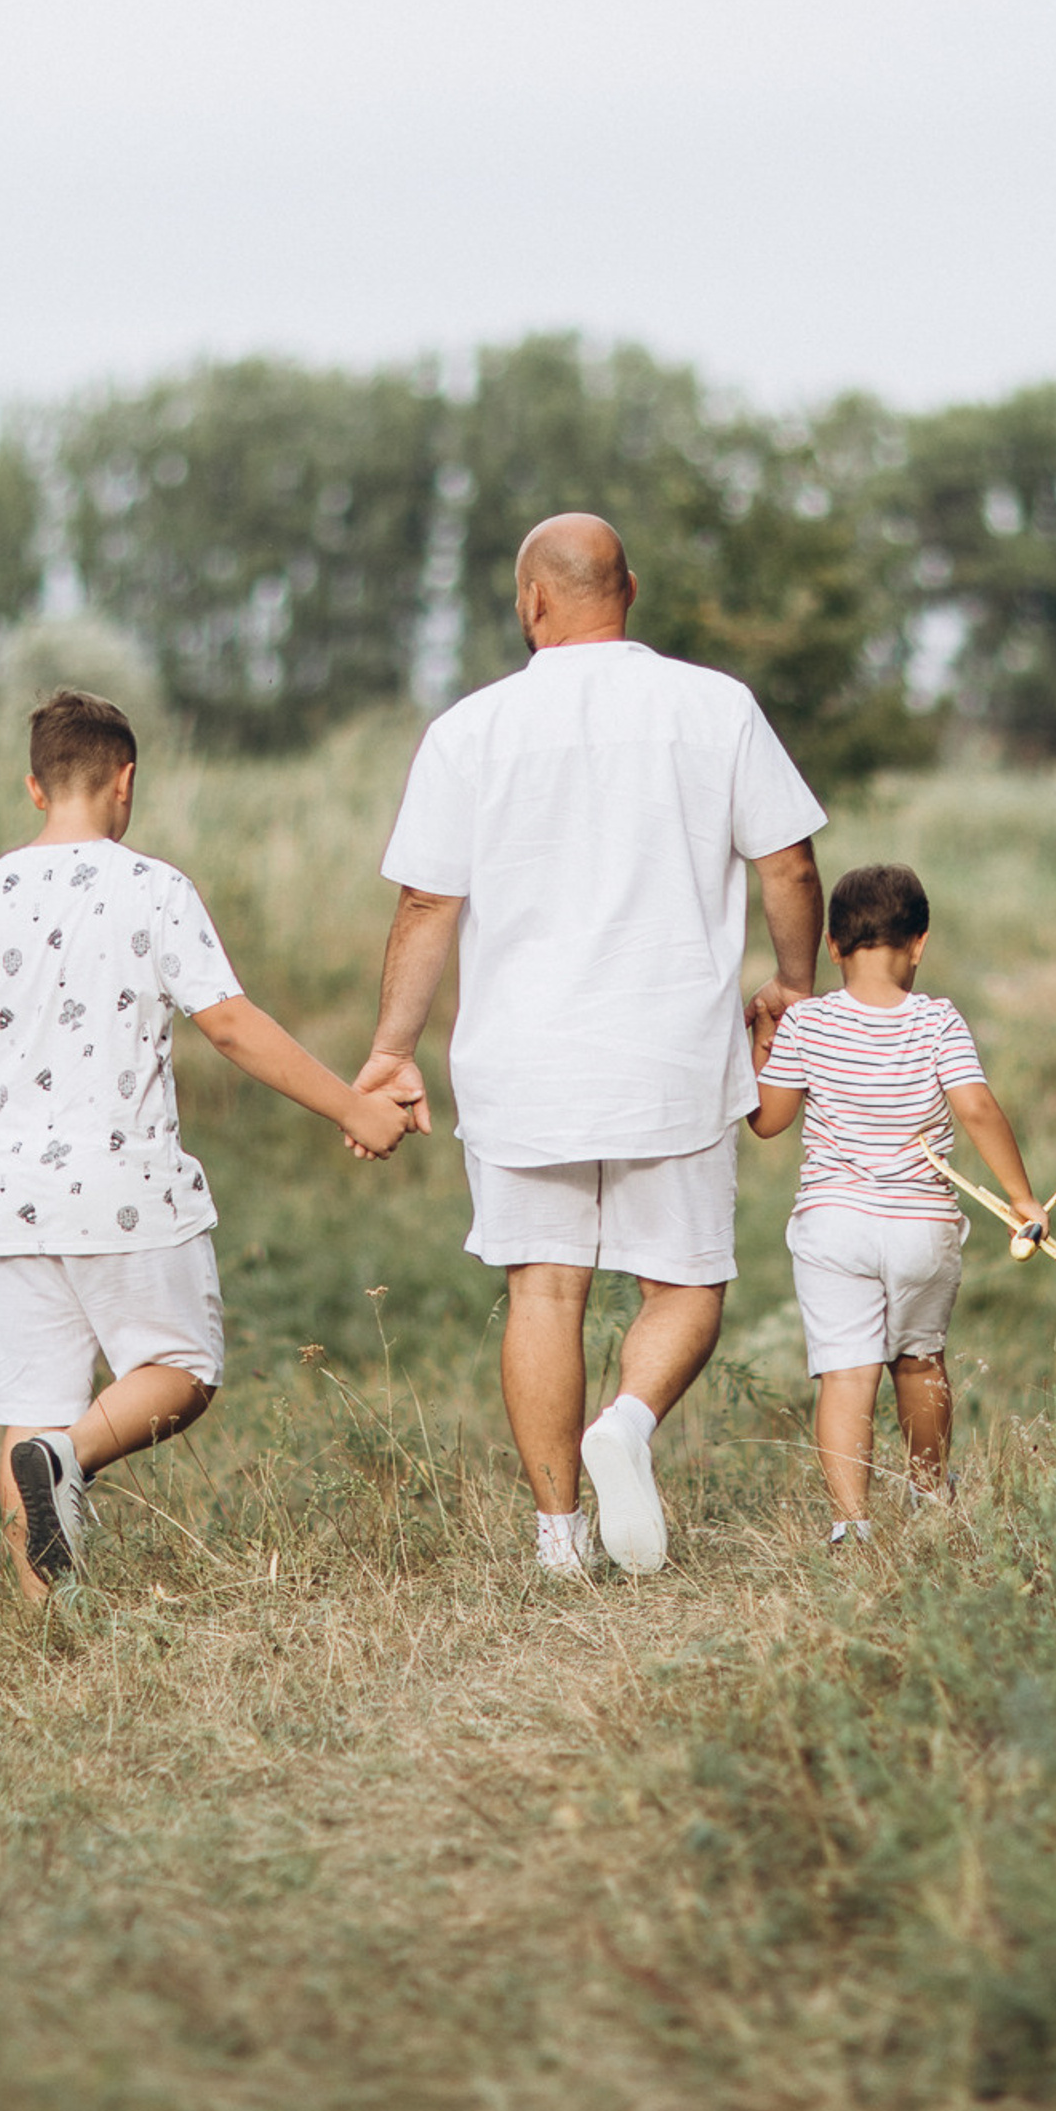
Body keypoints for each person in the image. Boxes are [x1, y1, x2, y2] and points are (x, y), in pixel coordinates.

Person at [355, 512, 826, 1575]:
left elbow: (427, 902)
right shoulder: (716, 706)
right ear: (631, 588)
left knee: (544, 1288)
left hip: (525, 1061)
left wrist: (392, 1048)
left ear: (533, 600)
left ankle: (558, 1540)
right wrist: (794, 984)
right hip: (674, 1049)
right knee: (685, 1283)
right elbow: (789, 864)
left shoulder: (470, 729)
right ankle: (628, 1421)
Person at [0, 689, 411, 1597]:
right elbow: (231, 1025)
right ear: (125, 781)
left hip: (8, 1200)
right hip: (125, 1188)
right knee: (180, 1370)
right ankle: (70, 1457)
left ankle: (48, 1622)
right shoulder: (154, 888)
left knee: (28, 1409)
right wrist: (351, 1108)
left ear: (34, 787)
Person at [748, 861, 1046, 1541]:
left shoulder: (807, 1023)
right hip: (921, 1227)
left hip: (832, 1225)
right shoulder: (938, 1021)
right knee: (919, 1362)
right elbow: (975, 1106)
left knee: (845, 1374)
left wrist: (764, 1040)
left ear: (831, 946)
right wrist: (1022, 1198)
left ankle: (851, 1525)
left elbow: (767, 1122)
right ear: (920, 943)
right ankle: (931, 1500)